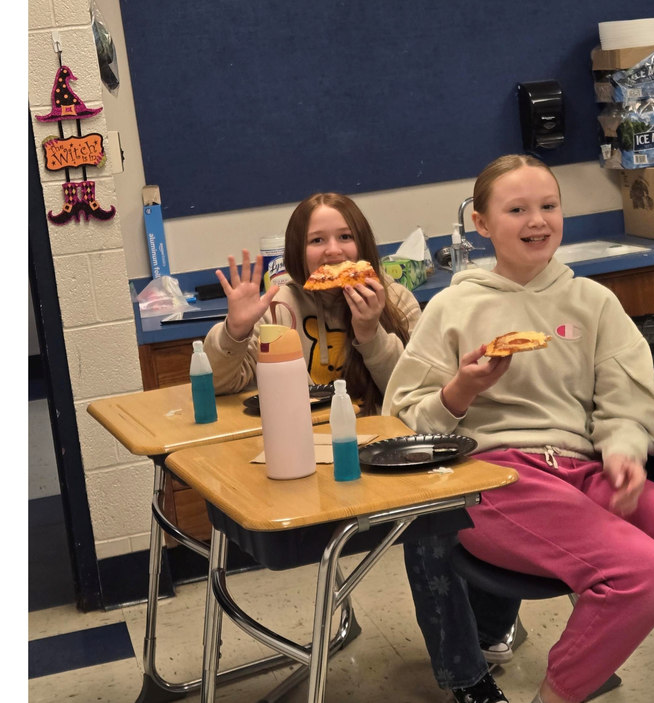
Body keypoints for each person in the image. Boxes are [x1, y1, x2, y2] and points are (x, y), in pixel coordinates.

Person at [383, 155, 654, 703]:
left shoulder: (593, 301)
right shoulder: (452, 307)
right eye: (517, 209)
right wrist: (462, 390)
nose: (538, 221)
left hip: (586, 472)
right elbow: (403, 418)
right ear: (481, 224)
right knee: (645, 574)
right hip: (493, 480)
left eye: (549, 206)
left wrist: (623, 449)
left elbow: (629, 400)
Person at [201, 191, 516, 703]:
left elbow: (420, 399)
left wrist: (371, 333)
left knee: (473, 507)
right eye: (317, 240)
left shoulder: (398, 298)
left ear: (364, 243)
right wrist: (234, 330)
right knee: (433, 531)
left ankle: (484, 636)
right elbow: (224, 384)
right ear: (297, 252)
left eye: (345, 236)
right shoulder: (280, 304)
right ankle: (472, 666)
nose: (333, 251)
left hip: (394, 456)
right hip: (315, 461)